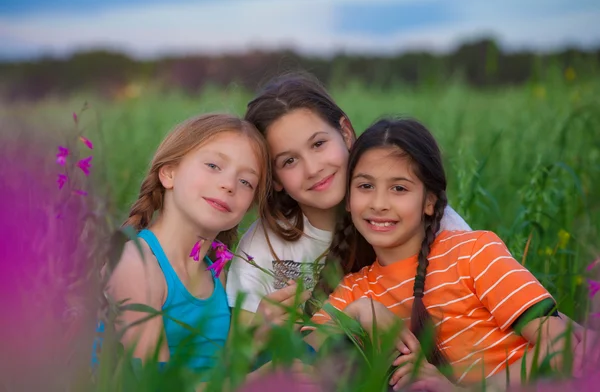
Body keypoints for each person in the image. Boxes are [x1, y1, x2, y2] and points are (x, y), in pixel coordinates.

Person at [305, 118, 575, 391]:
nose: (379, 204)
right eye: (365, 186)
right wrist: (356, 312)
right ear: (348, 200)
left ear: (430, 202)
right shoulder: (355, 291)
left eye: (399, 188)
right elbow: (294, 366)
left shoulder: (473, 253)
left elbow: (562, 346)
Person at [226, 73, 471, 324]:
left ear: (345, 133)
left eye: (318, 144)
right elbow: (238, 357)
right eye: (289, 161)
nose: (312, 168)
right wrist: (260, 328)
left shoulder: (418, 217)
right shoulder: (262, 247)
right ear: (274, 178)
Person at [102, 113, 310, 380]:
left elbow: (215, 373)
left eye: (246, 182)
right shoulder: (136, 264)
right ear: (169, 173)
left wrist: (255, 335)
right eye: (213, 166)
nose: (229, 185)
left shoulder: (215, 272)